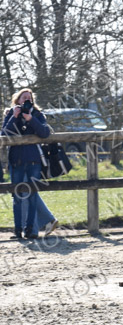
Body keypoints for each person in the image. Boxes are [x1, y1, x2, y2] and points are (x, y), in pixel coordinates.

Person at [2, 88, 58, 239]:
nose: (27, 100)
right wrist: (14, 117)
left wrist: (31, 119)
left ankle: (31, 231)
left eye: (29, 98)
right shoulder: (11, 114)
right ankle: (18, 230)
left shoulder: (37, 114)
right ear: (18, 100)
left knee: (32, 195)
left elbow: (45, 133)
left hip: (34, 161)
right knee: (17, 196)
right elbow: (5, 135)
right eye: (24, 97)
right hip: (16, 161)